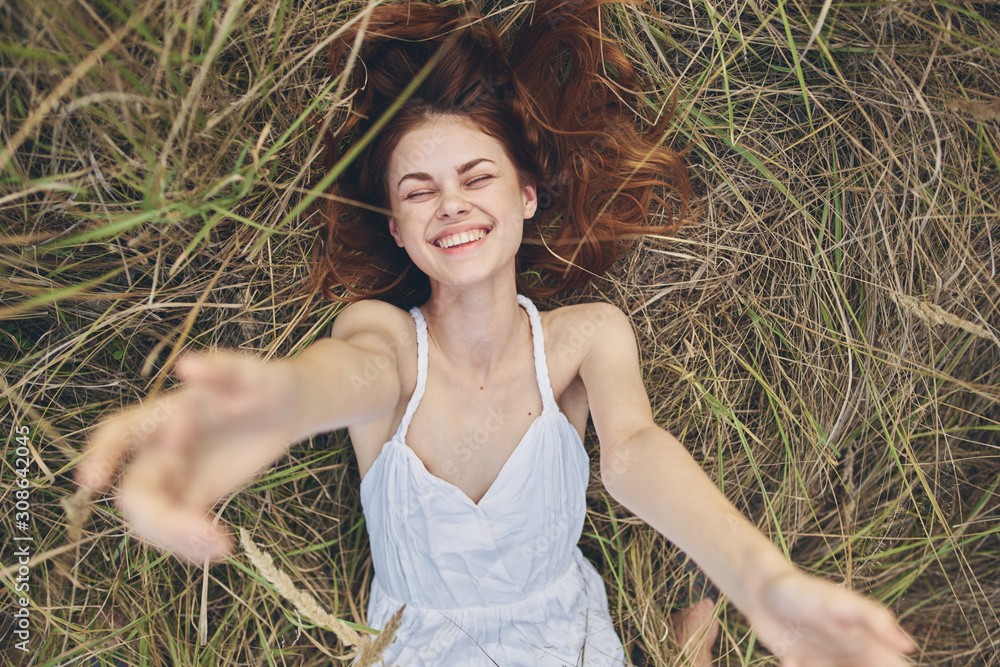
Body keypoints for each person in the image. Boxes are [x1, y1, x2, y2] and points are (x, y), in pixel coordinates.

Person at [75, 1, 917, 665]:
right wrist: (270, 403)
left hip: (567, 642)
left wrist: (763, 581)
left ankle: (692, 637)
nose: (451, 204)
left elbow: (637, 454)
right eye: (418, 189)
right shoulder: (385, 340)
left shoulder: (587, 339)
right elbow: (333, 380)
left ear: (525, 196)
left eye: (477, 176)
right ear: (400, 231)